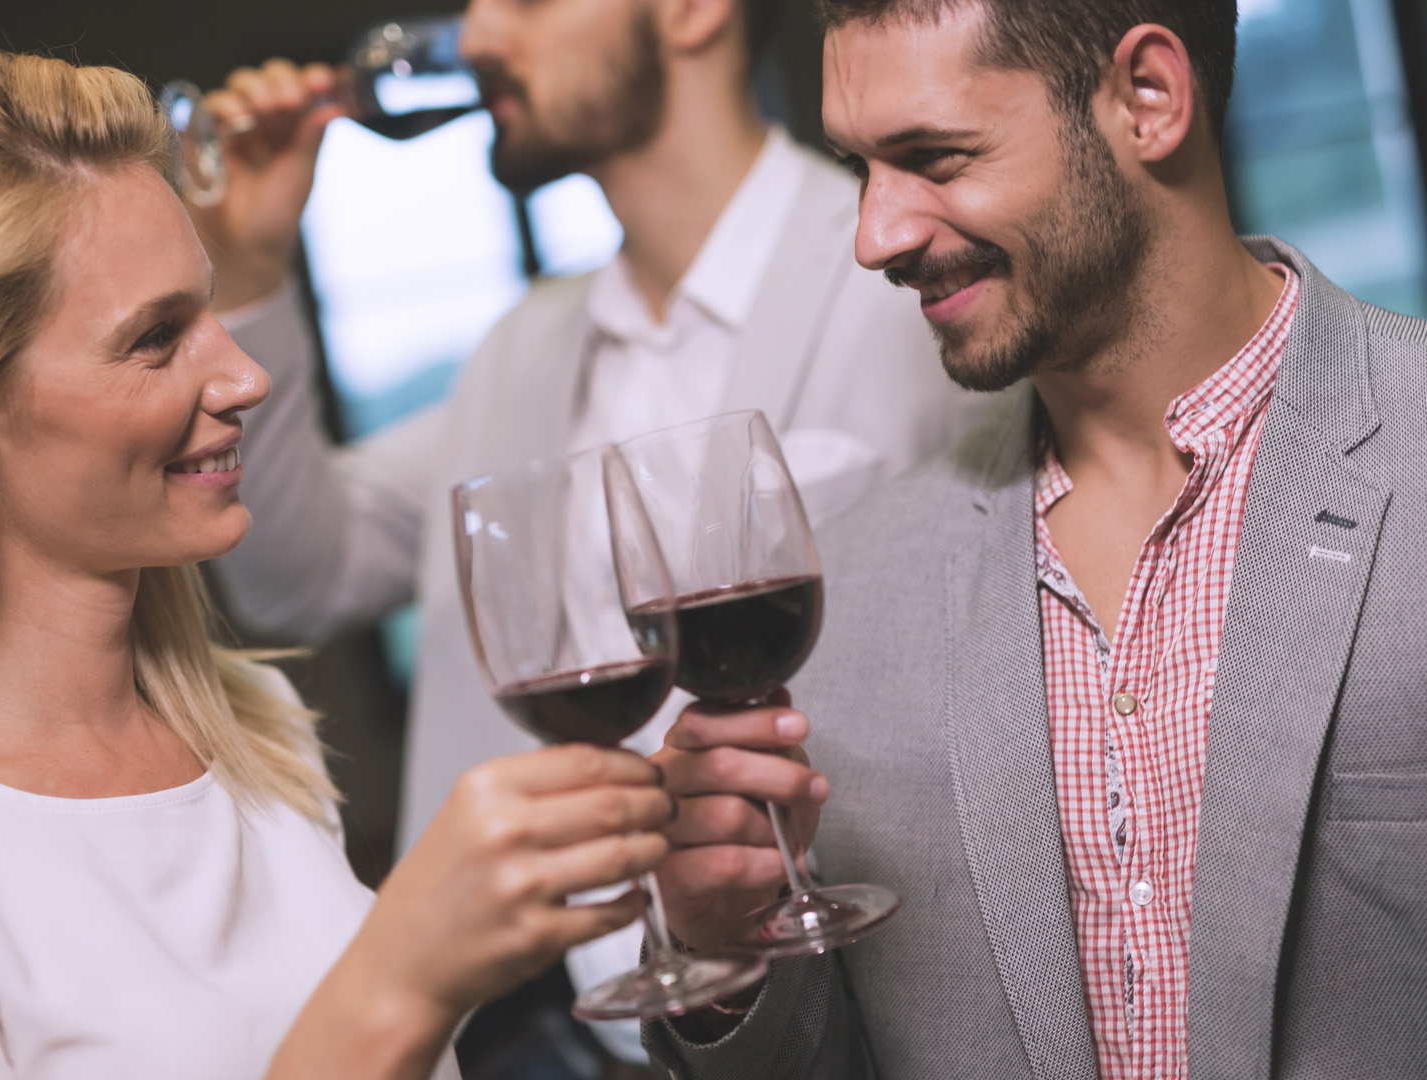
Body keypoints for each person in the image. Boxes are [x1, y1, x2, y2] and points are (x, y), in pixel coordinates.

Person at [0, 49, 678, 1080]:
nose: (247, 375)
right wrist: (399, 983)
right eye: (156, 338)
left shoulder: (258, 735)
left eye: (211, 312)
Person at [646, 1, 1427, 1077]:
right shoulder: (848, 597)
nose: (875, 235)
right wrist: (721, 952)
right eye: (861, 167)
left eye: (934, 156)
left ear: (1148, 98)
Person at [192, 1, 979, 1054]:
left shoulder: (918, 288)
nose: (475, 40)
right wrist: (246, 266)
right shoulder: (518, 351)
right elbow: (300, 573)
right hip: (529, 1041)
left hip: (835, 1026)